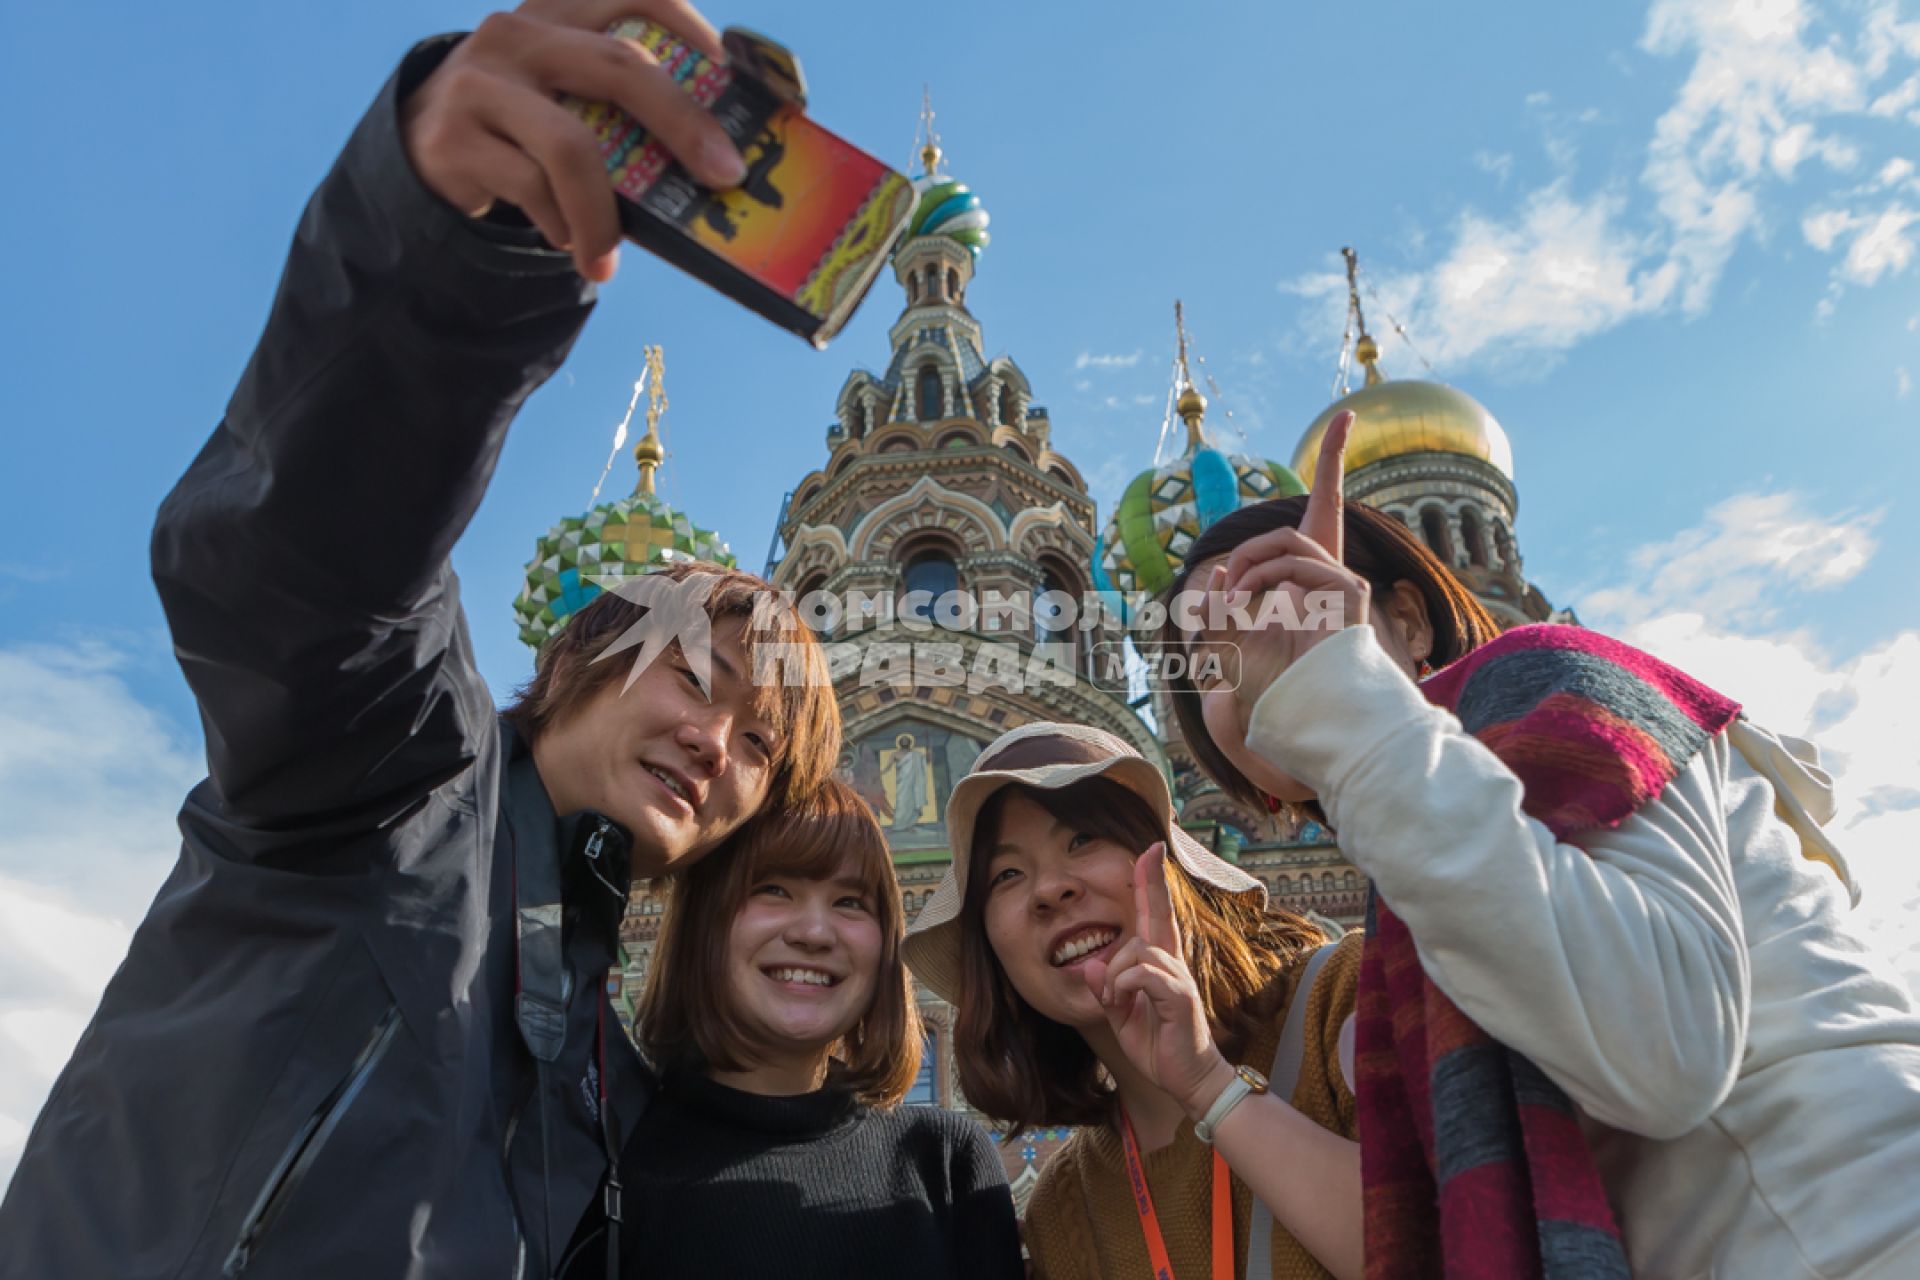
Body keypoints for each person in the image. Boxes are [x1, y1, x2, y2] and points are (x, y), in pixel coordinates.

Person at [0, 4, 843, 1276]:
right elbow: (308, 559)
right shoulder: (391, 777)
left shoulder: (605, 1075)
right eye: (691, 670)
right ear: (573, 660)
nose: (712, 739)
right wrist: (457, 249)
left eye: (761, 747)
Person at [1162, 410, 1920, 1278]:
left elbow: (1663, 1050)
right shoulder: (1405, 862)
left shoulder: (1546, 682)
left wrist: (1339, 702)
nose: (1257, 654)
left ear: (1407, 618)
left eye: (1275, 605)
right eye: (1211, 665)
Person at [904, 723, 1367, 1280]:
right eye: (1006, 875)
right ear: (993, 957)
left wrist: (1209, 1087)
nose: (1050, 889)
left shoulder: (1344, 1001)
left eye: (1082, 839)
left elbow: (1461, 1243)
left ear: (1174, 864)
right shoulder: (1068, 1205)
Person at [561, 778, 1024, 1279]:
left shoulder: (948, 1166)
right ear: (702, 925)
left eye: (851, 902)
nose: (813, 933)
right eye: (773, 890)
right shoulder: (608, 1168)